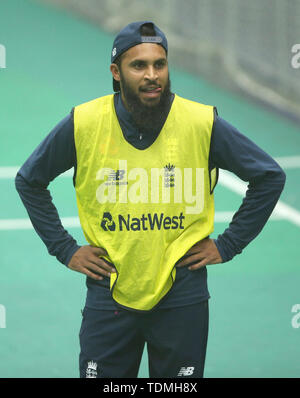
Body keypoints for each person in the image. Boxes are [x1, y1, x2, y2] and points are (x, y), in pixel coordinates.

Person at [15, 21, 286, 378]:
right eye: (138, 65)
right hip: (109, 290)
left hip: (182, 294)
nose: (152, 75)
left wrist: (230, 243)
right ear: (116, 72)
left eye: (160, 64)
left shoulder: (200, 121)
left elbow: (269, 176)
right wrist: (64, 249)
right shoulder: (85, 122)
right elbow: (29, 181)